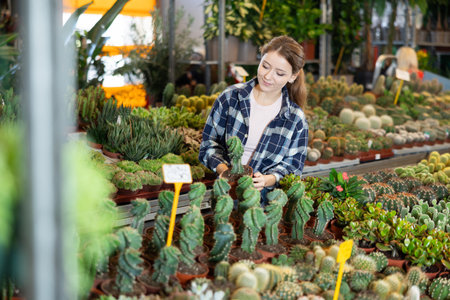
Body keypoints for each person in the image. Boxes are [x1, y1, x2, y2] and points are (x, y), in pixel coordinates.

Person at [199, 35, 309, 195]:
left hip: (266, 205)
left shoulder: (295, 119)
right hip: (226, 196)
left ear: (293, 76)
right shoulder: (230, 98)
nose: (268, 76)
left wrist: (267, 180)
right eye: (265, 66)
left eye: (279, 73)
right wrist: (225, 171)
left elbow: (293, 167)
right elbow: (208, 144)